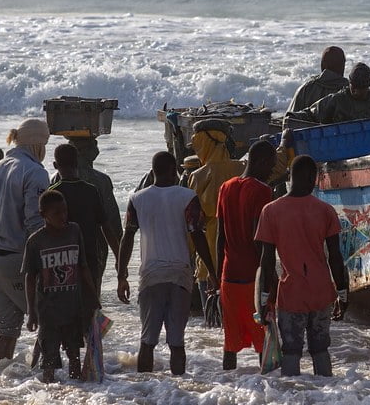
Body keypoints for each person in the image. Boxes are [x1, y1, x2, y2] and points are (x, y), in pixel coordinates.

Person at [118, 152, 212, 376]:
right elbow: (197, 234)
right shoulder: (187, 196)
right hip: (180, 274)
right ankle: (179, 392)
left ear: (153, 171)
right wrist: (211, 270)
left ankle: (146, 393)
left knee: (147, 341)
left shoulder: (137, 199)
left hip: (151, 276)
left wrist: (122, 275)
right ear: (174, 170)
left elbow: (127, 237)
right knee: (177, 343)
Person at [0, 118, 51, 362]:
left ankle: (0, 381)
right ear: (38, 143)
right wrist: (46, 262)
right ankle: (46, 380)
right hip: (17, 260)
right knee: (46, 323)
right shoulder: (35, 173)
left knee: (7, 332)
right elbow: (35, 222)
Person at [256, 155, 348, 377]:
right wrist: (343, 294)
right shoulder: (325, 210)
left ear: (290, 176)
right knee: (320, 349)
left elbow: (266, 261)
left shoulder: (271, 211)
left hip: (291, 294)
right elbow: (336, 258)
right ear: (313, 178)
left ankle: (294, 401)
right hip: (321, 292)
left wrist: (263, 298)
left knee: (291, 351)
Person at [23, 190, 98, 383]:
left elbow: (83, 267)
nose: (62, 216)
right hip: (48, 313)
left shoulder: (74, 231)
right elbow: (30, 278)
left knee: (75, 358)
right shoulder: (36, 241)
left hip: (73, 310)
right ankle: (51, 399)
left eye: (64, 211)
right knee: (49, 364)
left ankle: (78, 398)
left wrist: (93, 297)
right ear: (43, 215)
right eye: (56, 213)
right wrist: (31, 311)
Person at [215, 141, 276, 370]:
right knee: (265, 342)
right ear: (260, 162)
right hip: (254, 278)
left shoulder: (226, 187)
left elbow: (220, 237)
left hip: (228, 277)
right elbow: (259, 239)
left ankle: (227, 389)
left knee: (230, 343)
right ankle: (268, 395)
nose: (271, 171)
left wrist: (216, 276)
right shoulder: (262, 191)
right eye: (270, 165)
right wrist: (270, 277)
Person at [48, 144, 120, 307]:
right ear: (77, 163)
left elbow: (46, 230)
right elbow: (107, 226)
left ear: (55, 165)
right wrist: (119, 261)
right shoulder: (92, 190)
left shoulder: (53, 192)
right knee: (91, 306)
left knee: (65, 308)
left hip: (61, 262)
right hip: (89, 258)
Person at [187, 120, 245, 302]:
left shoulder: (197, 176)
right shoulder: (243, 168)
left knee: (214, 324)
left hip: (209, 265)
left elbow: (192, 227)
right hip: (241, 261)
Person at [296, 63, 370, 125]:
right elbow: (310, 114)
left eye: (360, 88)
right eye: (353, 86)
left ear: (368, 87)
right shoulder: (336, 101)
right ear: (349, 82)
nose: (355, 91)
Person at [286, 47, 349, 113]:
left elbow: (289, 118)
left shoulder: (306, 89)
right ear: (342, 66)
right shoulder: (352, 91)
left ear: (323, 65)